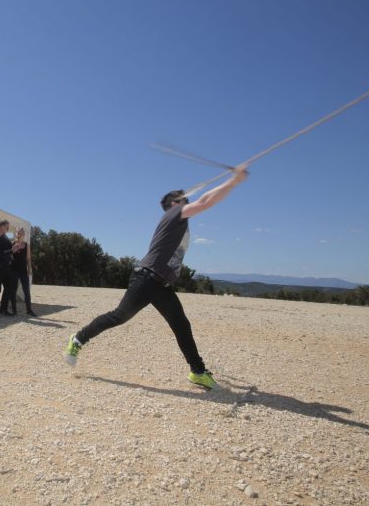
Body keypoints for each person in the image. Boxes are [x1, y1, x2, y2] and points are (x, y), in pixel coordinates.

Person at [63, 166, 249, 390]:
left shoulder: (178, 217)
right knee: (119, 316)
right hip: (147, 278)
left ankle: (198, 372)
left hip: (162, 283)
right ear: (174, 203)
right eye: (184, 199)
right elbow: (205, 203)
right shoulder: (173, 213)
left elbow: (205, 198)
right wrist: (233, 182)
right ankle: (78, 339)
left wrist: (231, 181)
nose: (188, 201)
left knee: (181, 325)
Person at [9, 227, 36, 316]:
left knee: (26, 291)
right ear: (16, 234)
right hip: (13, 270)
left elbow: (28, 259)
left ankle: (29, 310)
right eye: (18, 233)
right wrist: (13, 250)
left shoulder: (27, 245)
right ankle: (14, 311)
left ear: (24, 235)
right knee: (13, 290)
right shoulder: (12, 244)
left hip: (23, 270)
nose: (19, 235)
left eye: (21, 233)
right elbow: (9, 257)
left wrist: (29, 268)